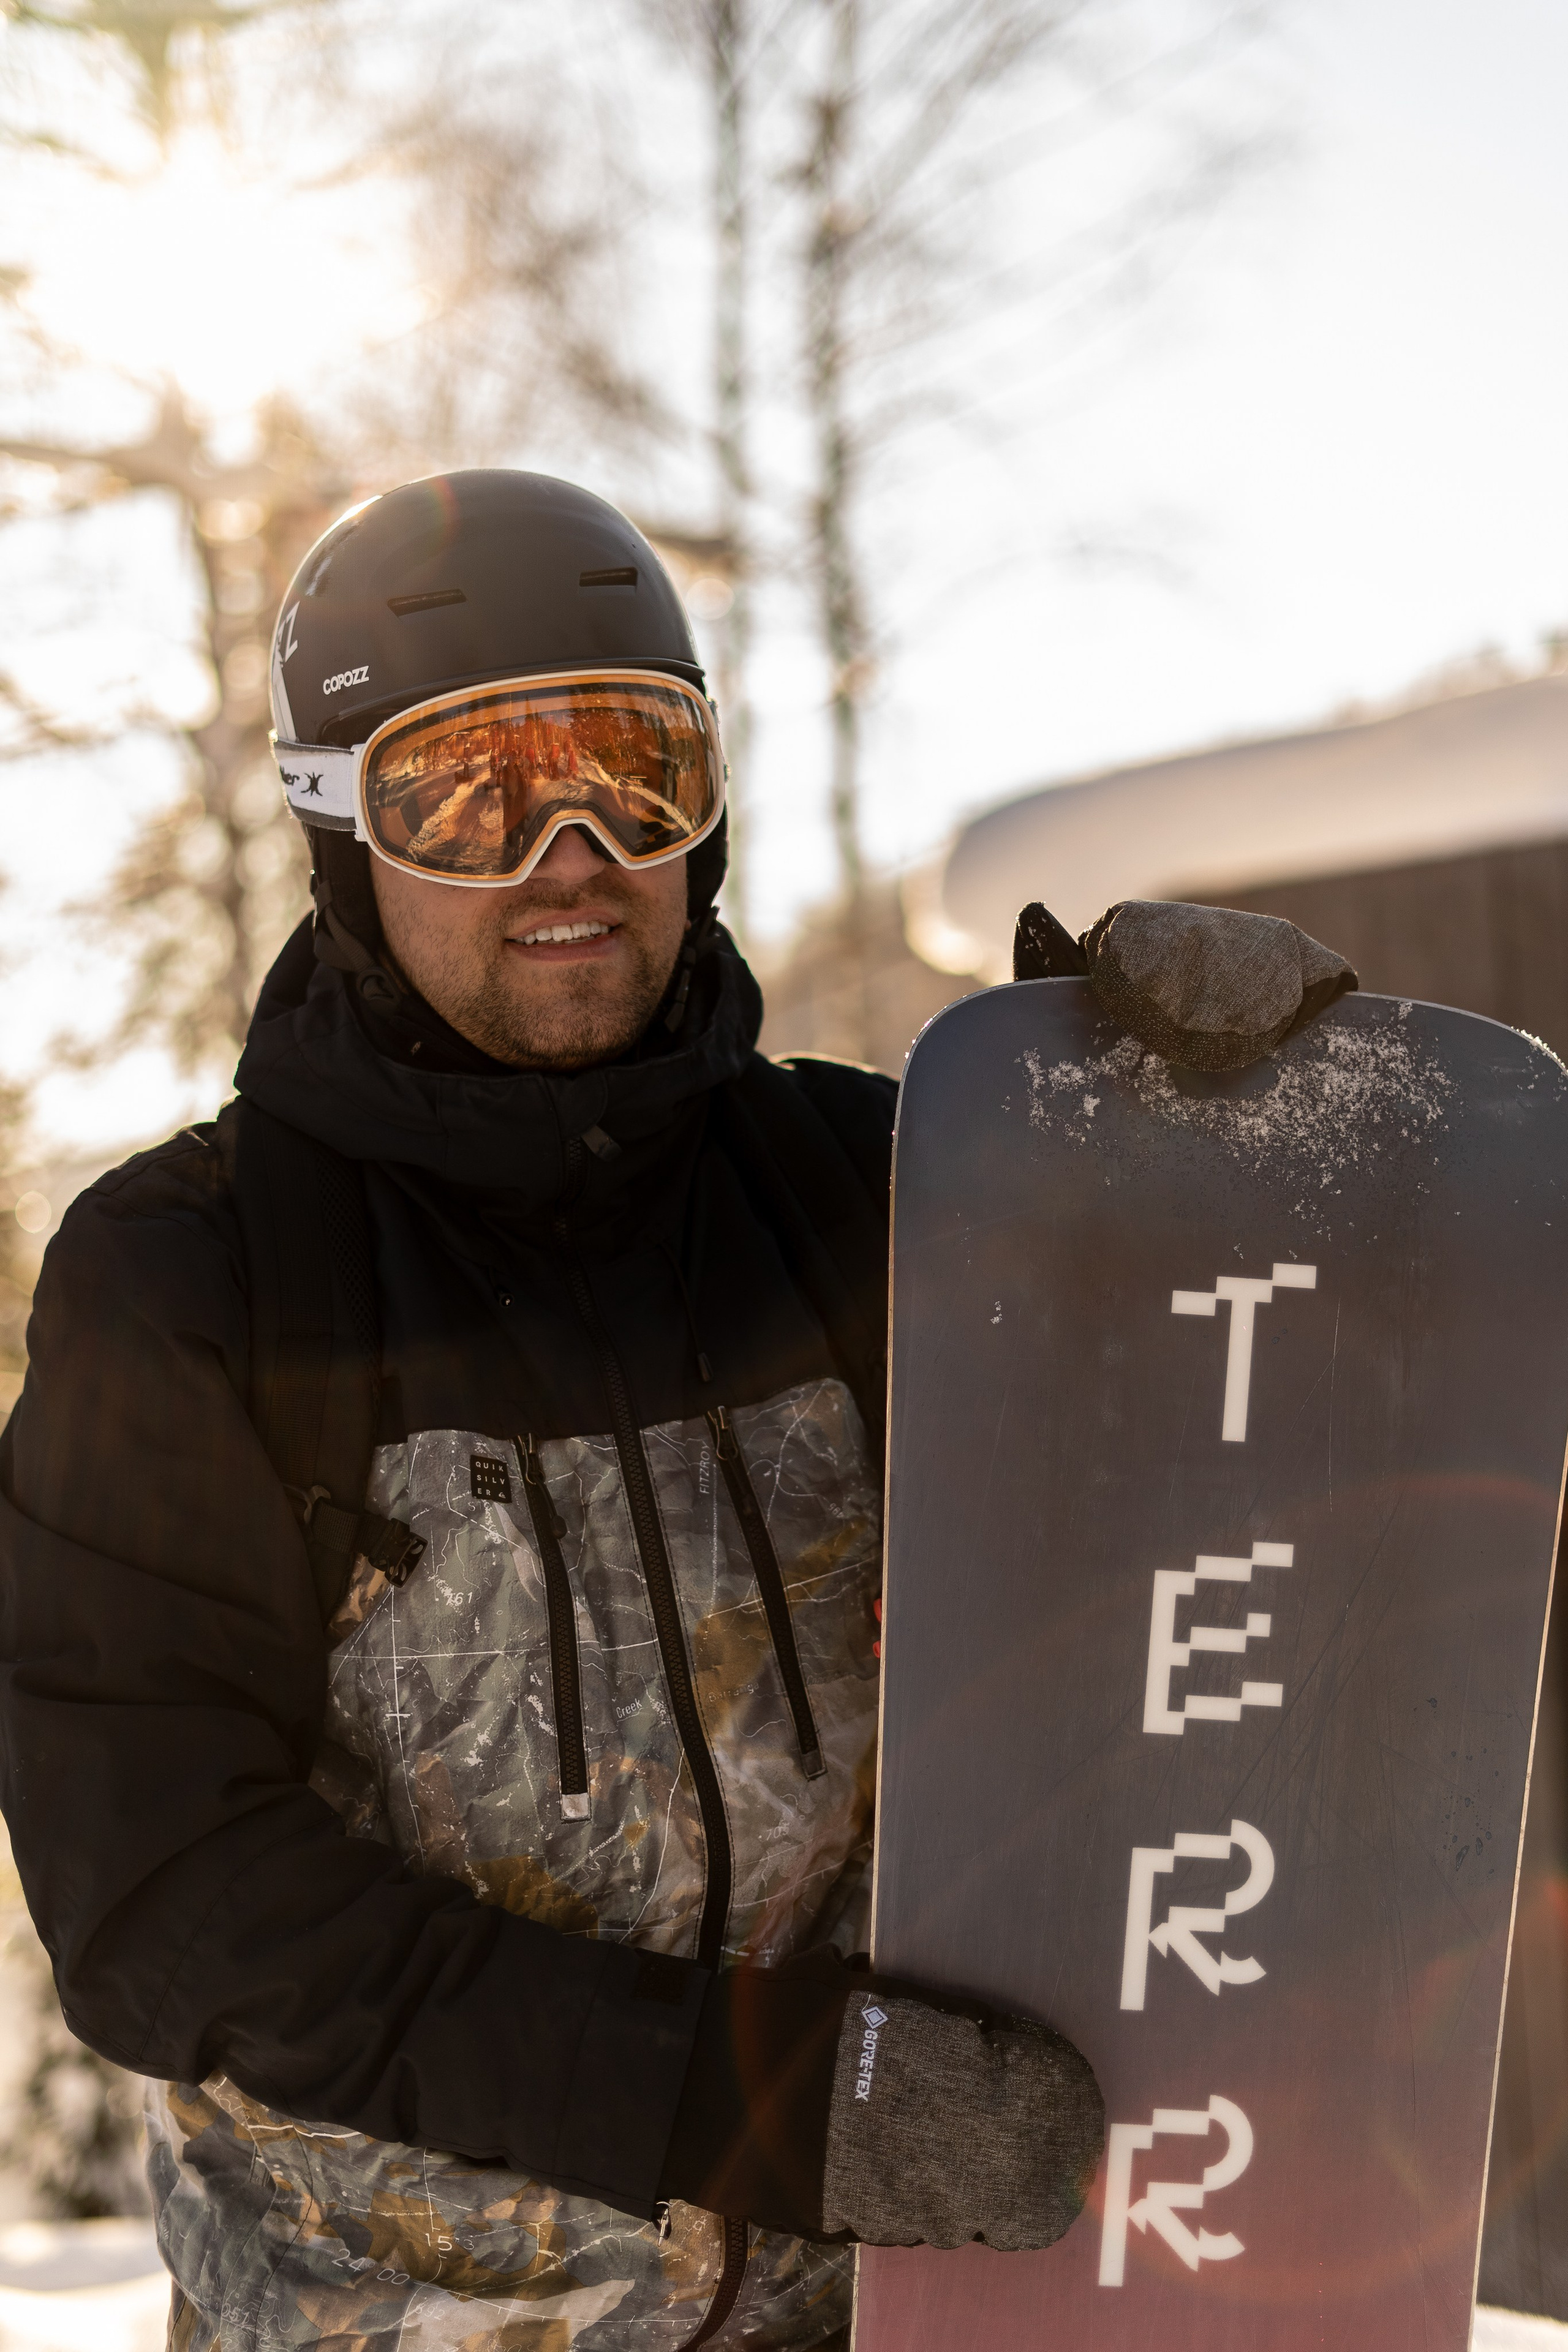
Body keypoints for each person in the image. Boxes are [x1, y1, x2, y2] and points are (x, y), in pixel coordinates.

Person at [0, 472, 1109, 2352]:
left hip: (865, 2322)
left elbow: (1210, 1463)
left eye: (632, 771)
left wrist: (1204, 1128)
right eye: (471, 793)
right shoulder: (194, 1278)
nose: (570, 850)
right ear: (347, 839)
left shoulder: (886, 1186)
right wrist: (761, 2110)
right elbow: (161, 1899)